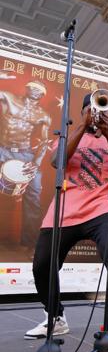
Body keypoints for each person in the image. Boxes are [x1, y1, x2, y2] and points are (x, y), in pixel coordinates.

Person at [24, 93, 108, 349]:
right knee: (42, 263)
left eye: (102, 108)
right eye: (91, 109)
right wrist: (81, 128)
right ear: (83, 112)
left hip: (102, 208)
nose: (97, 113)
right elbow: (58, 162)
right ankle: (55, 316)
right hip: (64, 210)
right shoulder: (67, 136)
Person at [0, 74, 51, 246]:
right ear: (27, 88)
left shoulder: (43, 115)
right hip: (2, 149)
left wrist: (36, 163)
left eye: (40, 88)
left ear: (43, 94)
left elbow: (44, 142)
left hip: (25, 153)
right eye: (33, 86)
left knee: (34, 191)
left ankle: (29, 244)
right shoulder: (9, 97)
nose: (36, 89)